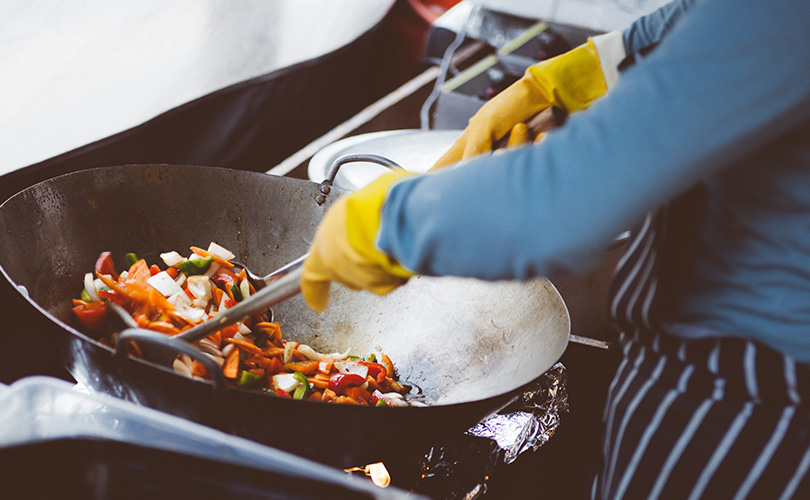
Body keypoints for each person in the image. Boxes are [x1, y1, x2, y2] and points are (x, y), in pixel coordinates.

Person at [300, 0, 810, 497]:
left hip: (747, 397)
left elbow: (569, 199)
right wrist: (590, 70)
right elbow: (708, 18)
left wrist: (391, 222)